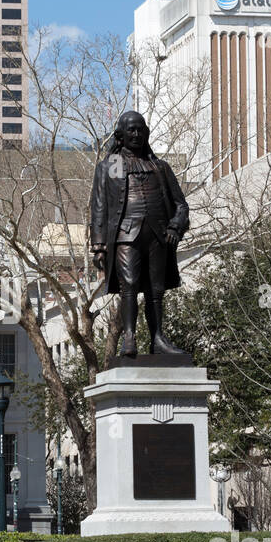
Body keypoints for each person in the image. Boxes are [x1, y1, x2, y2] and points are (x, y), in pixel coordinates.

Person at [88, 110, 190, 357]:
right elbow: (100, 204)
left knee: (156, 289)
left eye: (140, 129)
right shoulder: (113, 165)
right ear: (120, 136)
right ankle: (129, 338)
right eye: (131, 130)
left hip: (157, 235)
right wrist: (99, 245)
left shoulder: (159, 166)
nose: (136, 134)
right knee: (130, 284)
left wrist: (175, 226)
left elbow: (181, 204)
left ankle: (157, 340)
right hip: (125, 233)